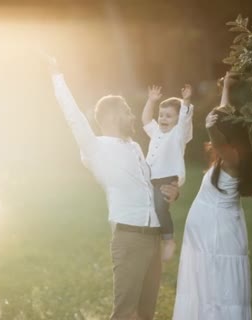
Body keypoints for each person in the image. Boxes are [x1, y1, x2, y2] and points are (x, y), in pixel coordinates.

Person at [45, 54, 179, 320]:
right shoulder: (95, 148)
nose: (132, 116)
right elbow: (72, 116)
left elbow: (151, 187)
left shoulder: (136, 147)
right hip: (129, 238)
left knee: (145, 314)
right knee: (124, 313)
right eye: (128, 111)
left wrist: (174, 192)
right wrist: (56, 75)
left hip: (153, 237)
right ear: (112, 115)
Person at [173, 72, 252, 320]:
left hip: (217, 237)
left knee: (218, 291)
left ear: (229, 135)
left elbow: (215, 128)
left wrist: (212, 122)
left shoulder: (233, 158)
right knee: (206, 289)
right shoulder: (232, 153)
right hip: (207, 235)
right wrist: (226, 87)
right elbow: (223, 116)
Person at [141, 84, 194, 261]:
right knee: (151, 208)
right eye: (161, 115)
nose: (163, 119)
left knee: (160, 207)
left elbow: (185, 119)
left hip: (167, 177)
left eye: (169, 116)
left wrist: (186, 101)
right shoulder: (156, 132)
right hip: (151, 178)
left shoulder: (178, 134)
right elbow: (146, 120)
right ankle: (152, 241)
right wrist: (151, 101)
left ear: (178, 119)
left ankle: (169, 240)